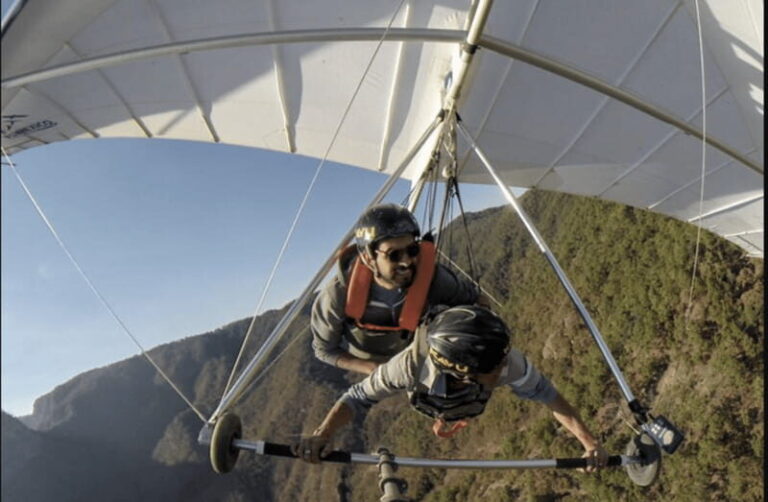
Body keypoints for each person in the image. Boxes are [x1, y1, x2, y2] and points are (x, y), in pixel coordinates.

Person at [296, 306, 609, 472]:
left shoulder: (508, 362)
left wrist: (589, 443)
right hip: (428, 392)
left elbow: (548, 396)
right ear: (462, 369)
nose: (503, 369)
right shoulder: (408, 367)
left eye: (501, 361)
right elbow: (356, 397)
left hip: (463, 395)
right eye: (494, 367)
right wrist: (323, 434)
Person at [311, 204, 488, 375]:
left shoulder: (433, 279)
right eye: (393, 255)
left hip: (415, 353)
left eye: (412, 250)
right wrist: (372, 369)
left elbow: (476, 300)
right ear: (368, 258)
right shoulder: (337, 295)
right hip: (368, 360)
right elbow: (324, 350)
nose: (406, 262)